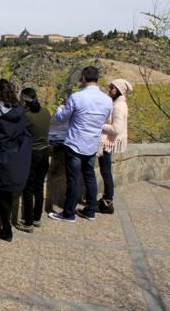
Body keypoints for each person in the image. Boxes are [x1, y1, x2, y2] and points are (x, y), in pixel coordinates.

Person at [49, 66, 113, 222]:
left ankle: (68, 214)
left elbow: (61, 119)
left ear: (84, 78)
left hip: (75, 143)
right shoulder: (107, 100)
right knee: (90, 177)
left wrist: (59, 109)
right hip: (92, 144)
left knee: (73, 179)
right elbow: (104, 120)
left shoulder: (77, 97)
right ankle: (90, 211)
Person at [0, 79, 32, 241]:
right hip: (17, 156)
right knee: (9, 195)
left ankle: (6, 230)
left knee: (2, 195)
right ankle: (7, 226)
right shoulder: (20, 109)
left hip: (1, 157)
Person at [15, 88, 51, 233]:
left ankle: (28, 221)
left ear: (23, 100)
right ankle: (37, 218)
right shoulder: (46, 112)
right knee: (39, 186)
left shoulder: (25, 116)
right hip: (45, 151)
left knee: (28, 188)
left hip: (32, 153)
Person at [97, 79, 132, 214]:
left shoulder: (118, 106)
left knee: (106, 172)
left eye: (111, 87)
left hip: (108, 143)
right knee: (106, 172)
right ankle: (107, 199)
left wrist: (99, 125)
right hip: (108, 143)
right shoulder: (119, 104)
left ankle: (108, 201)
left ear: (117, 90)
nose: (109, 90)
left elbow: (116, 129)